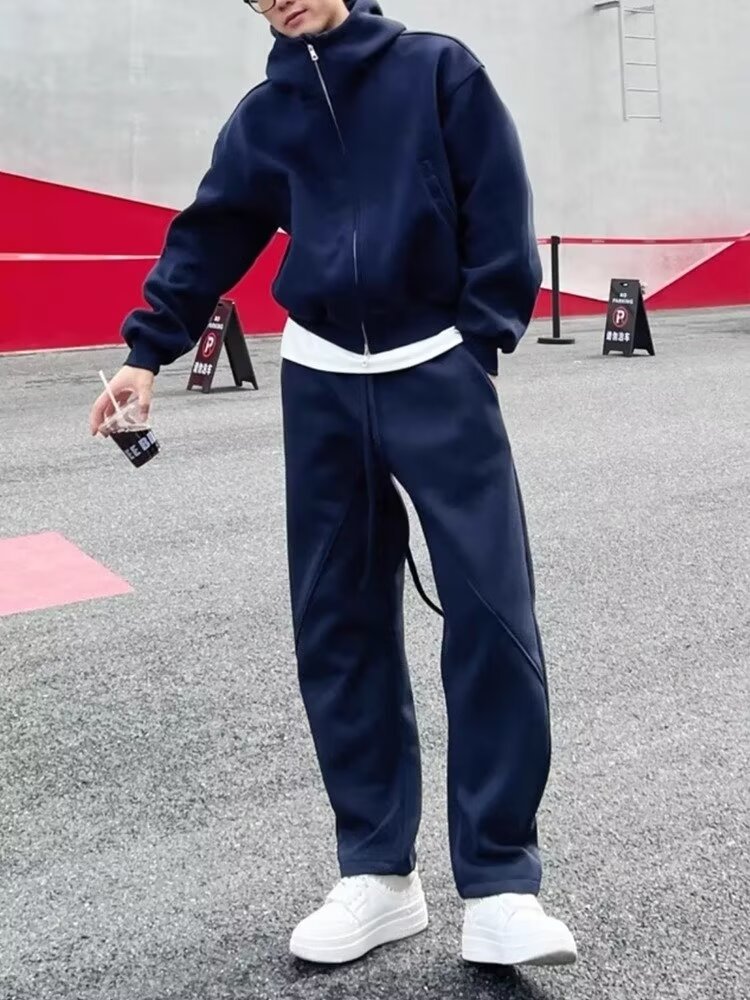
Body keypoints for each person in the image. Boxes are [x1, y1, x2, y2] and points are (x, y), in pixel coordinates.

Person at [89, 0, 577, 969]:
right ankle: (378, 875)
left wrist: (477, 340)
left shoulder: (437, 70)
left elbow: (498, 198)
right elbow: (211, 233)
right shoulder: (264, 115)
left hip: (435, 367)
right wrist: (145, 354)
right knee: (337, 622)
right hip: (319, 380)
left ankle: (500, 883)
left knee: (492, 612)